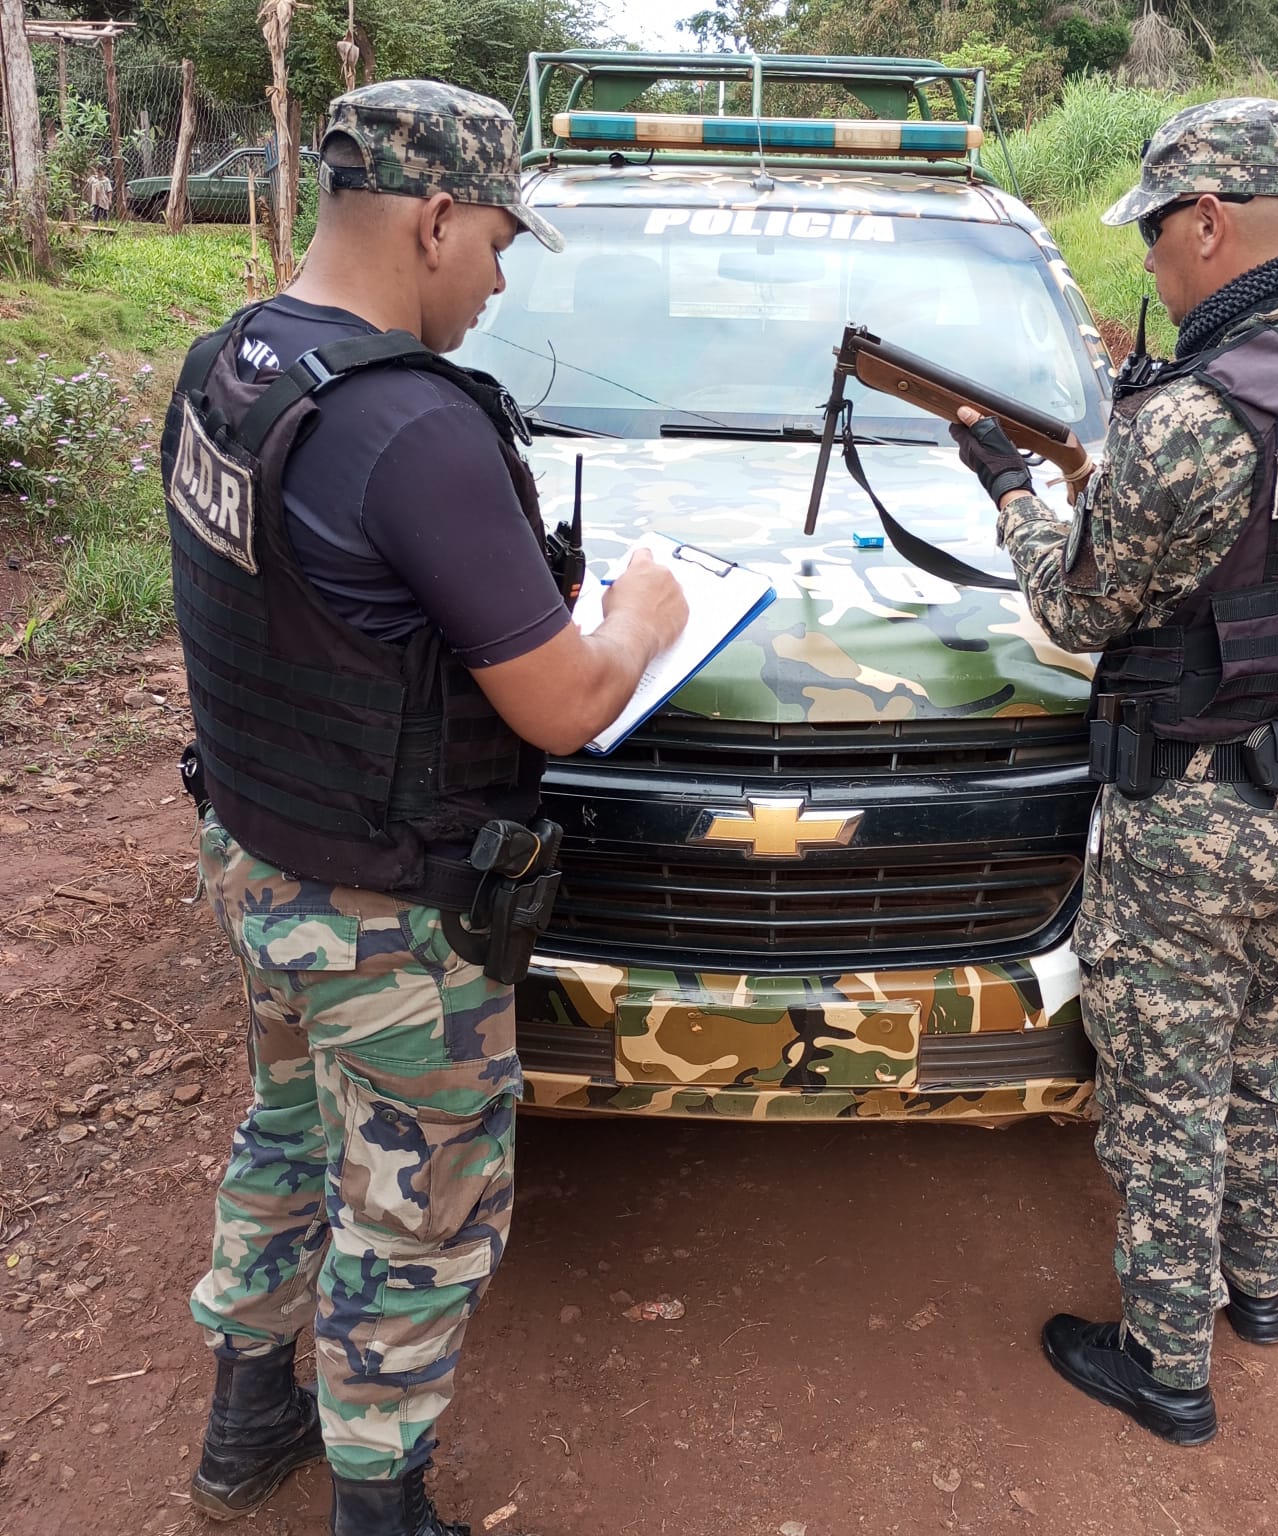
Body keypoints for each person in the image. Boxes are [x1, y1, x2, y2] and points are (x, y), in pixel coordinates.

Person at [162, 80, 687, 1533]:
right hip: (389, 916)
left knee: (285, 1134)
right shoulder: (413, 427)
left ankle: (248, 1422)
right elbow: (569, 705)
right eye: (502, 242)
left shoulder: (229, 366)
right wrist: (637, 615)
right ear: (435, 217)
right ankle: (379, 1507)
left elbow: (305, 612)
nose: (505, 277)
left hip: (260, 852)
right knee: (419, 1216)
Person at [950, 97, 1278, 1445]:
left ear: (1209, 222)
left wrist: (1012, 490)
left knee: (1169, 1086)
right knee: (1270, 1059)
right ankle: (1260, 1293)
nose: (1156, 267)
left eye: (1159, 237)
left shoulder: (1197, 413)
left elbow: (1076, 609)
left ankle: (1168, 1369)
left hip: (1188, 810)